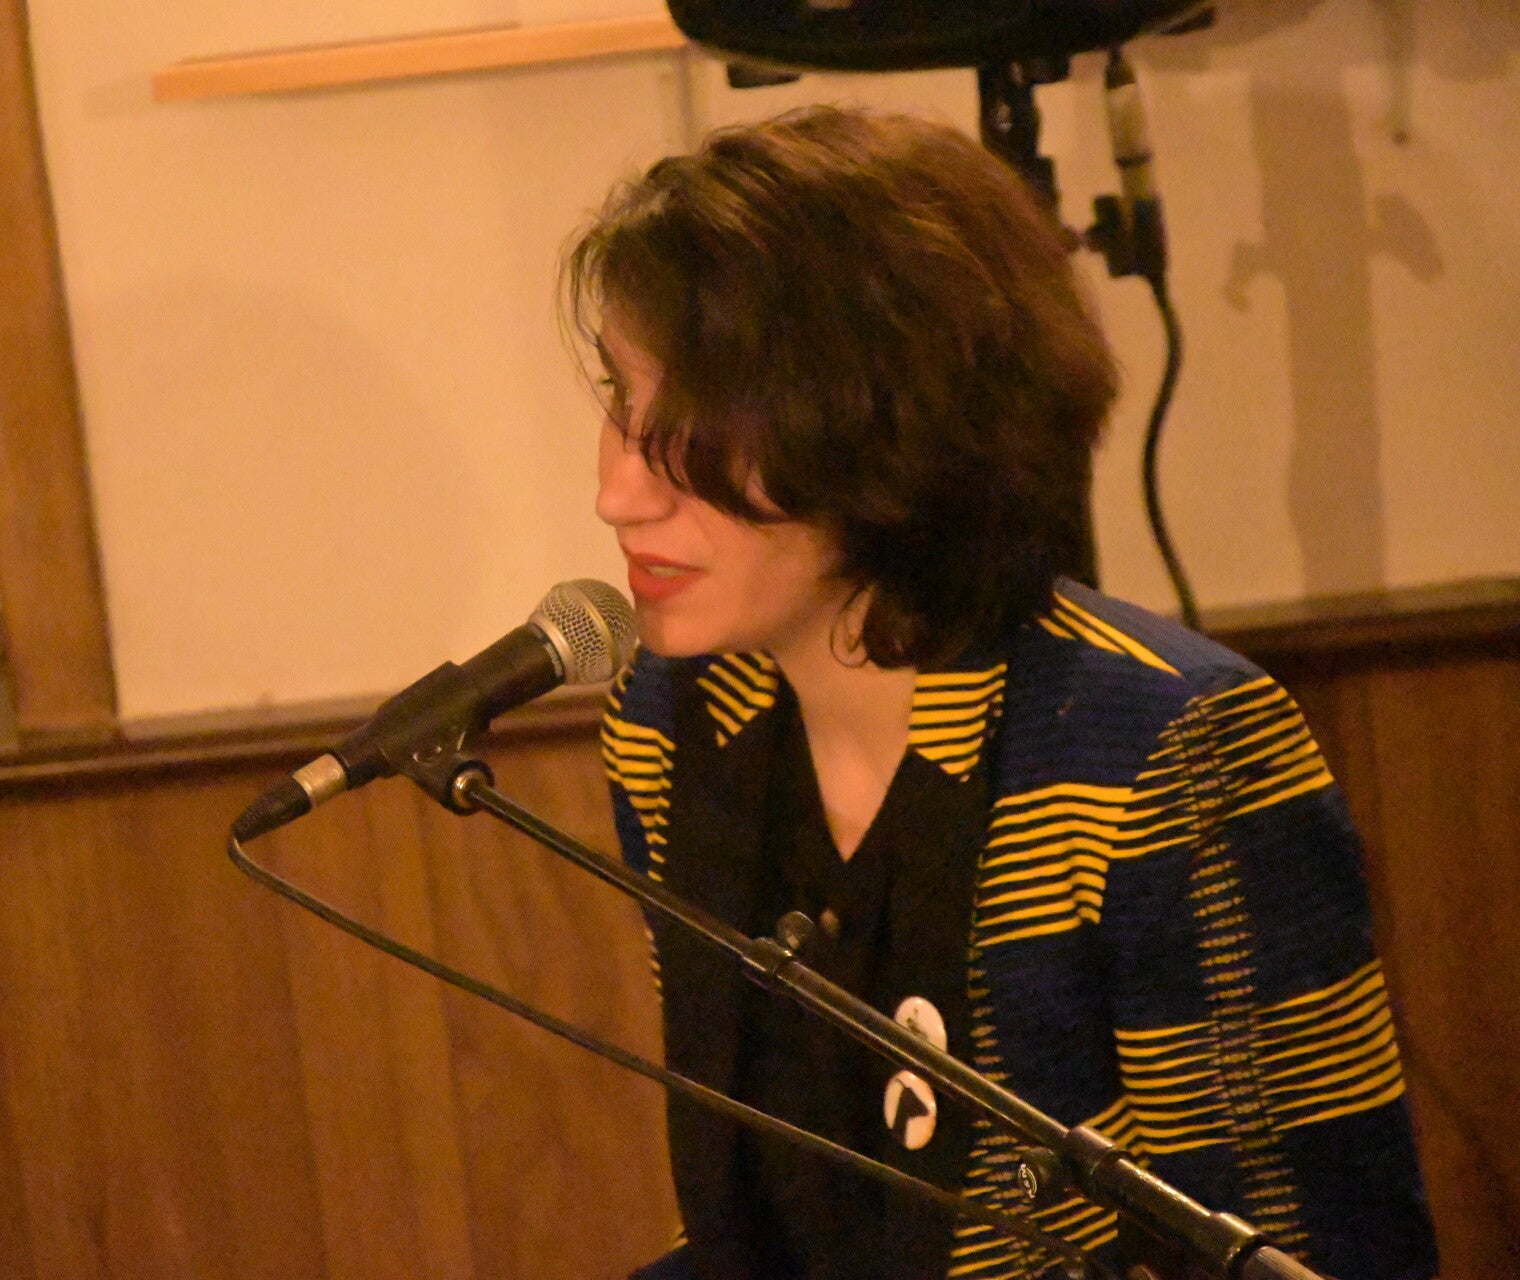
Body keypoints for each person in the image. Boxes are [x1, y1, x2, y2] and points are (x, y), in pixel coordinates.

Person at [569, 107, 1437, 1280]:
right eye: (618, 401)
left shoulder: (1166, 747)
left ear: (882, 417)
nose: (618, 490)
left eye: (682, 422)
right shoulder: (671, 720)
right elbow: (756, 1218)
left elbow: (1303, 1249)